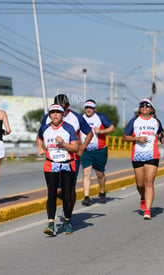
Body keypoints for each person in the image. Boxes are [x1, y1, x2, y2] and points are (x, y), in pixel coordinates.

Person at [41, 94, 93, 215]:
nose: (59, 111)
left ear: (68, 106)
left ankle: (68, 214)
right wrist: (42, 147)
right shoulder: (48, 117)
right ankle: (66, 205)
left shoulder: (76, 117)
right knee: (56, 191)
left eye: (62, 108)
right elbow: (42, 134)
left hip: (71, 158)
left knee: (69, 189)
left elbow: (90, 133)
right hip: (53, 159)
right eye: (56, 108)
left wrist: (82, 148)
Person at [36, 104, 79, 235]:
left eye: (58, 112)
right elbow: (39, 138)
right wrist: (40, 147)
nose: (55, 115)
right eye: (52, 112)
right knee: (52, 194)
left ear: (62, 115)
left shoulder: (68, 128)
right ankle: (51, 224)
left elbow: (76, 148)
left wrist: (64, 144)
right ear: (49, 115)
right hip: (51, 165)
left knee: (66, 195)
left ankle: (67, 221)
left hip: (67, 164)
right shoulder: (45, 128)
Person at [123, 98, 164, 220]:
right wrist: (137, 139)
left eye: (147, 106)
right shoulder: (134, 121)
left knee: (149, 182)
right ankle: (143, 197)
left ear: (151, 109)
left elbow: (161, 134)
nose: (144, 108)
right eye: (142, 106)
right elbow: (126, 137)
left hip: (152, 155)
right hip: (138, 155)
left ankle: (148, 210)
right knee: (140, 184)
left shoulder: (156, 122)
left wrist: (163, 138)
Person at [80, 99, 115, 206]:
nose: (88, 110)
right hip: (86, 150)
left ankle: (102, 192)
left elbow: (112, 128)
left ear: (95, 109)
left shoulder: (100, 117)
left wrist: (101, 131)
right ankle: (86, 197)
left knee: (99, 173)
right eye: (87, 107)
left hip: (100, 149)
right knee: (86, 172)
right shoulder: (81, 118)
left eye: (91, 108)